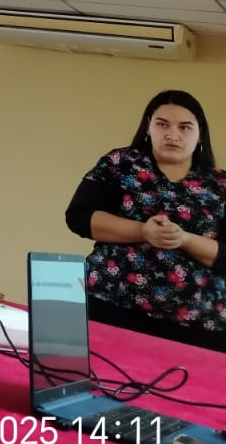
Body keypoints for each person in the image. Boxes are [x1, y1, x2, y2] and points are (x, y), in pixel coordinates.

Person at [65, 89, 226, 350]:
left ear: (200, 135)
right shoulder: (121, 162)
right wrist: (143, 231)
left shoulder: (220, 183)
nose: (172, 134)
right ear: (148, 127)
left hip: (199, 325)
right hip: (111, 305)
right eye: (162, 124)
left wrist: (183, 239)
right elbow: (79, 217)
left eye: (185, 127)